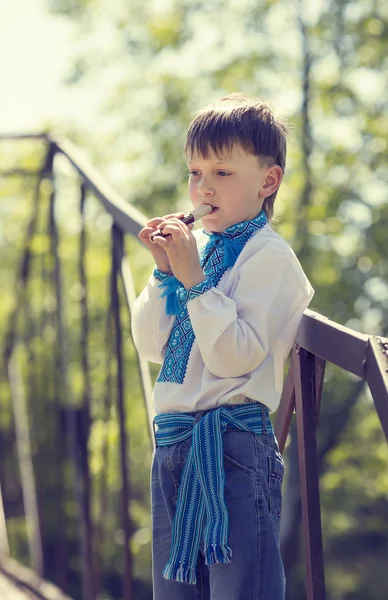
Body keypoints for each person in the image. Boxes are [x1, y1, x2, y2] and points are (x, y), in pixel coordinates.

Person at [131, 93, 315, 600]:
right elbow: (152, 348)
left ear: (268, 181)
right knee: (174, 593)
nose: (202, 188)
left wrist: (194, 282)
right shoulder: (200, 255)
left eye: (221, 173)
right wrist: (165, 274)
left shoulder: (269, 258)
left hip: (232, 445)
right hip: (172, 444)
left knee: (241, 591)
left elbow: (234, 356)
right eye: (194, 173)